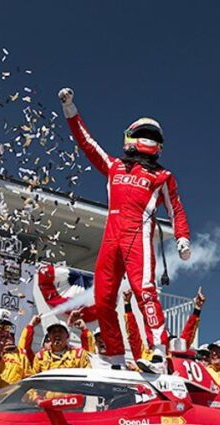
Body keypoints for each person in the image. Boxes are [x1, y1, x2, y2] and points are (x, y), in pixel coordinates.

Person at [58, 87, 191, 374]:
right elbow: (87, 144)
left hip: (138, 235)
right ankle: (115, 357)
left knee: (144, 290)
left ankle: (157, 351)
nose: (148, 139)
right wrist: (71, 109)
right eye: (145, 134)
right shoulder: (115, 167)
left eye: (153, 136)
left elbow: (176, 209)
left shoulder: (162, 176)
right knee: (104, 298)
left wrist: (182, 238)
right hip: (111, 235)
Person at [122, 287, 205, 362]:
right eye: (166, 341)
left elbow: (187, 335)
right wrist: (127, 305)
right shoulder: (143, 354)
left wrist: (197, 309)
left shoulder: (176, 355)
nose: (167, 345)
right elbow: (133, 335)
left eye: (168, 341)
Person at [0, 308, 33, 393]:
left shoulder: (20, 355)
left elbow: (29, 381)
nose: (3, 331)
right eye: (0, 326)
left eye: (7, 327)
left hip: (10, 403)